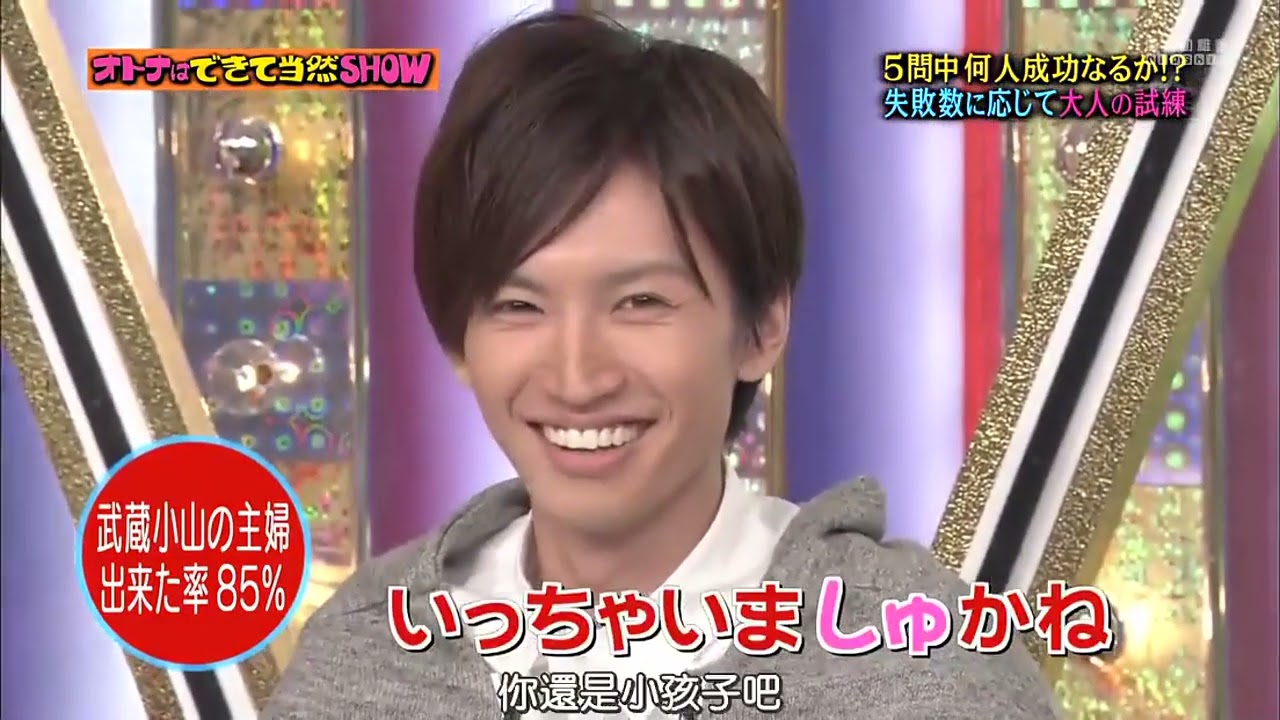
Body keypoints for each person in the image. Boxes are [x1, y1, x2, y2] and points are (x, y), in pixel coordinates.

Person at [265, 11, 1059, 719]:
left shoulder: (919, 665)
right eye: (520, 306)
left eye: (640, 302)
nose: (577, 378)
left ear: (762, 325)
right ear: (457, 338)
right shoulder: (367, 651)